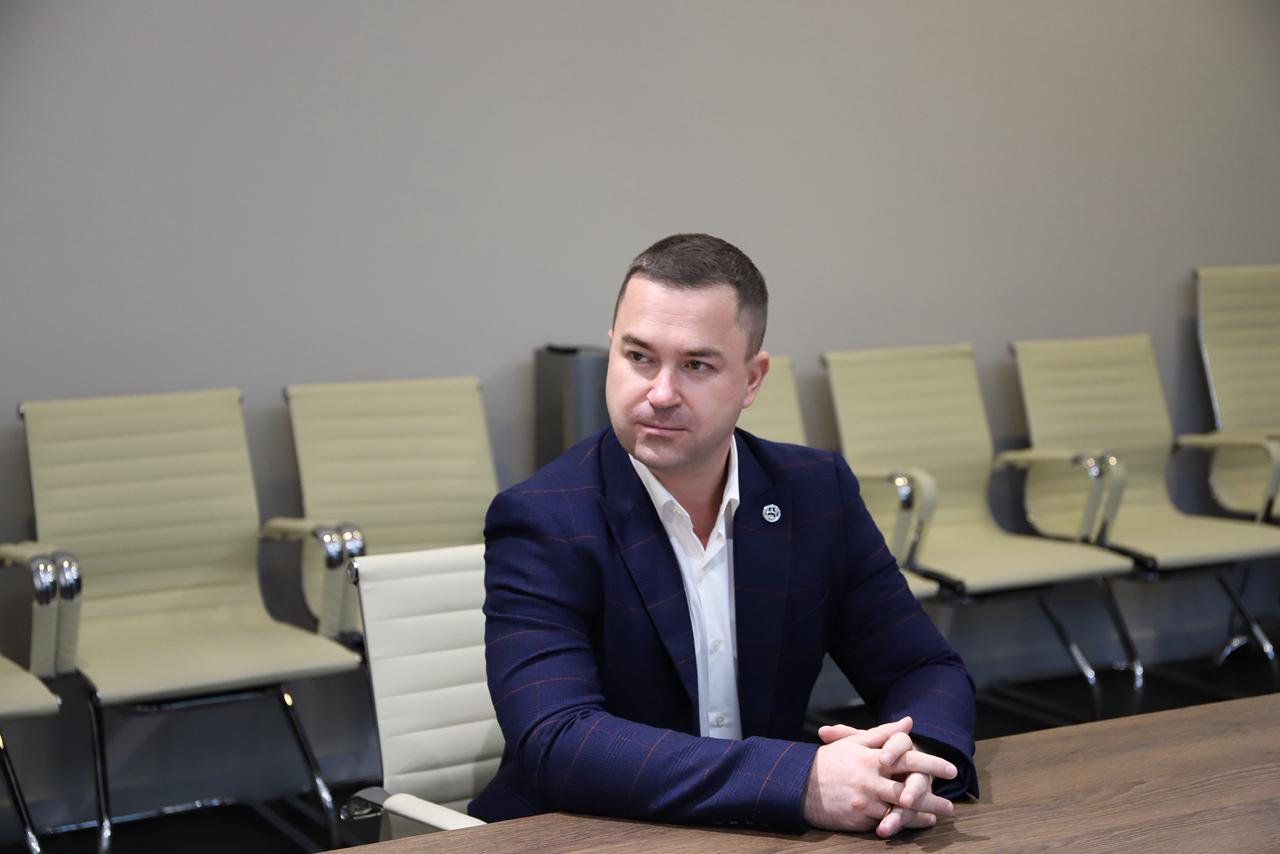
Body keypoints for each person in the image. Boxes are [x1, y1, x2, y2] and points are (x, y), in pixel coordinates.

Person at [470, 233, 977, 836]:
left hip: (761, 834)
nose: (660, 394)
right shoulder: (542, 518)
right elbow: (558, 738)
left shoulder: (815, 492)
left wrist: (913, 762)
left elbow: (922, 666)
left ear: (752, 380)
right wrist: (800, 781)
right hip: (582, 833)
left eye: (696, 365)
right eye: (638, 357)